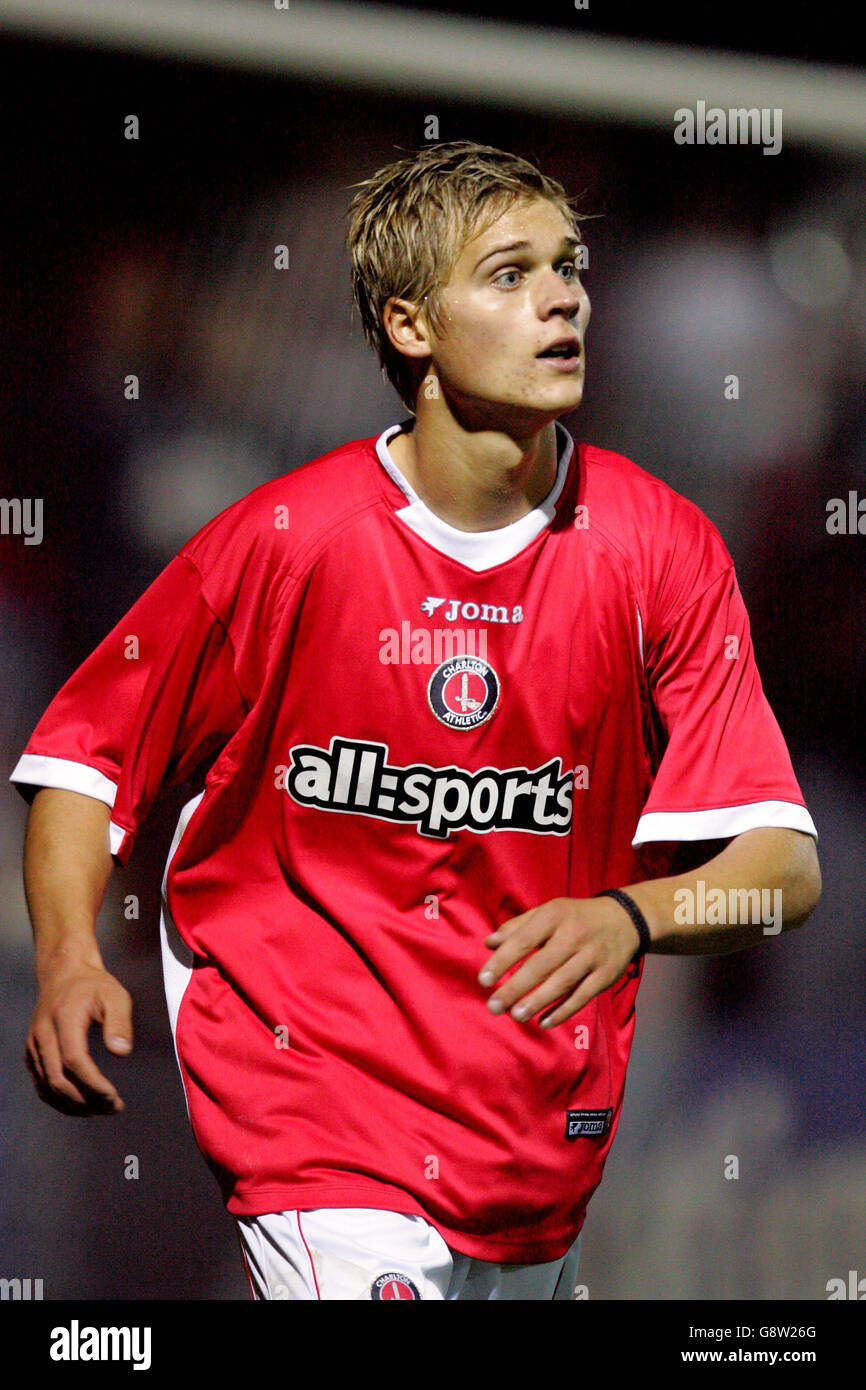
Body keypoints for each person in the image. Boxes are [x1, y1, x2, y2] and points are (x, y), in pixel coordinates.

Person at [12, 141, 821, 1301]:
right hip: (311, 1110)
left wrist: (627, 918)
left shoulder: (659, 550)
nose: (561, 298)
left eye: (569, 266)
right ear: (408, 326)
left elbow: (781, 869)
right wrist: (70, 956)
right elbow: (81, 760)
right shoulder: (286, 542)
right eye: (508, 274)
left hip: (526, 1149)